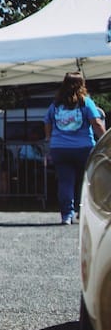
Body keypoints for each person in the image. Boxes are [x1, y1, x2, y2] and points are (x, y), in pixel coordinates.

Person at [44, 71, 106, 224]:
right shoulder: (85, 102)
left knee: (65, 181)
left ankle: (66, 215)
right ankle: (82, 211)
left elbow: (47, 121)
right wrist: (105, 140)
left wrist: (49, 138)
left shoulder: (56, 104)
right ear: (81, 84)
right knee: (86, 180)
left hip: (60, 148)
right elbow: (96, 123)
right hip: (83, 148)